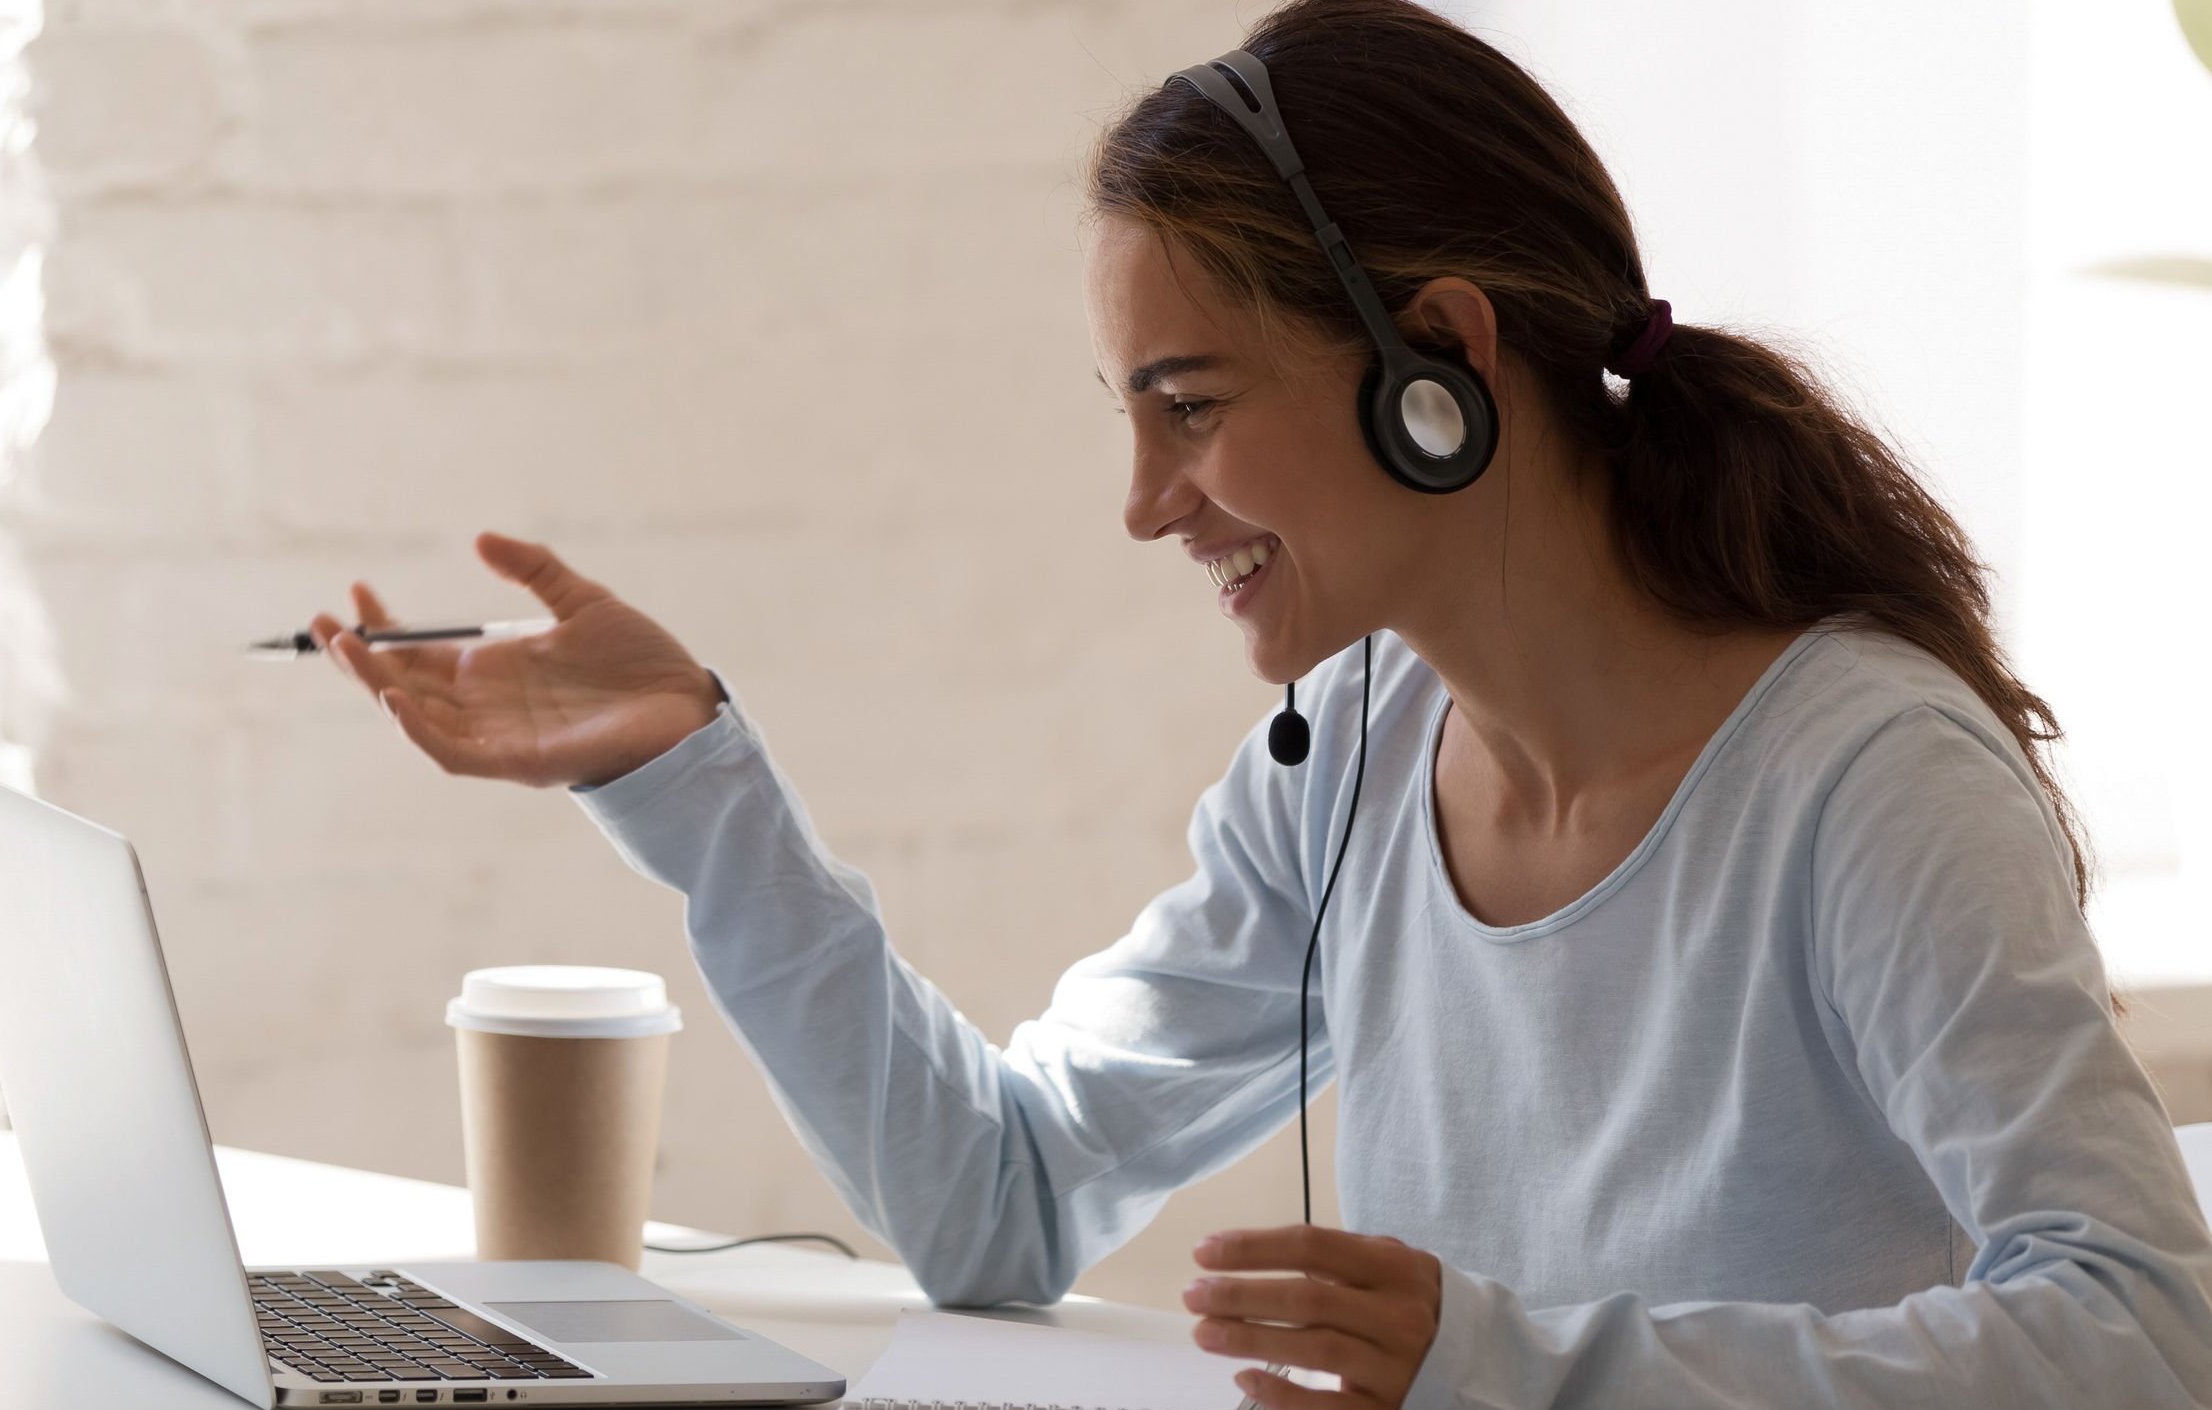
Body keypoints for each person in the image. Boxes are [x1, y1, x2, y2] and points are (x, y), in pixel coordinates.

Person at [307, 1, 2212, 1405]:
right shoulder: (1355, 759)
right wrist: (697, 781)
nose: (1146, 505)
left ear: (1441, 364)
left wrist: (1511, 1363)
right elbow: (1000, 1198)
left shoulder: (1863, 780)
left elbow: (2144, 1322)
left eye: (1194, 409)